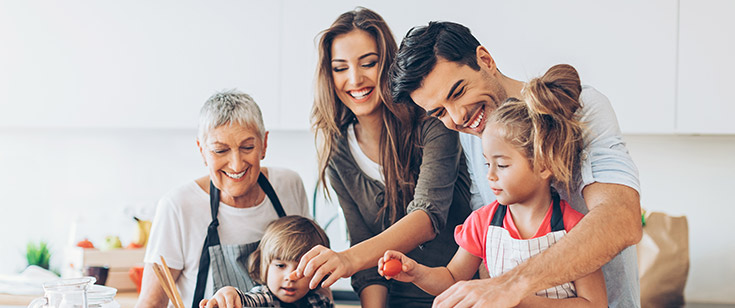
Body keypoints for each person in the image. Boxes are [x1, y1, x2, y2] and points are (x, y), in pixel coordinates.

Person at [390, 22, 642, 308]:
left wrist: (512, 286)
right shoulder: (475, 135)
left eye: (458, 92)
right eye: (439, 112)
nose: (457, 118)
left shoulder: (582, 107)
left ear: (485, 60)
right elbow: (486, 246)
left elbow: (621, 218)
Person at [293, 8, 472, 308]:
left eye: (368, 63)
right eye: (340, 68)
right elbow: (366, 261)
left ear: (388, 64)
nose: (355, 79)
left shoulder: (432, 122)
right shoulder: (338, 151)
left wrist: (347, 259)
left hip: (458, 296)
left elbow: (428, 217)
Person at [136, 90, 310, 308]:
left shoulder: (289, 186)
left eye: (247, 147)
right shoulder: (178, 207)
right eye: (220, 150)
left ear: (264, 144)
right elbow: (151, 303)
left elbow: (316, 276)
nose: (236, 165)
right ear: (202, 151)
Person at [199, 215, 333, 308]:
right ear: (264, 266)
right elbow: (246, 300)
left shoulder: (320, 301)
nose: (290, 277)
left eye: (302, 269)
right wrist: (229, 293)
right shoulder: (265, 298)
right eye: (280, 265)